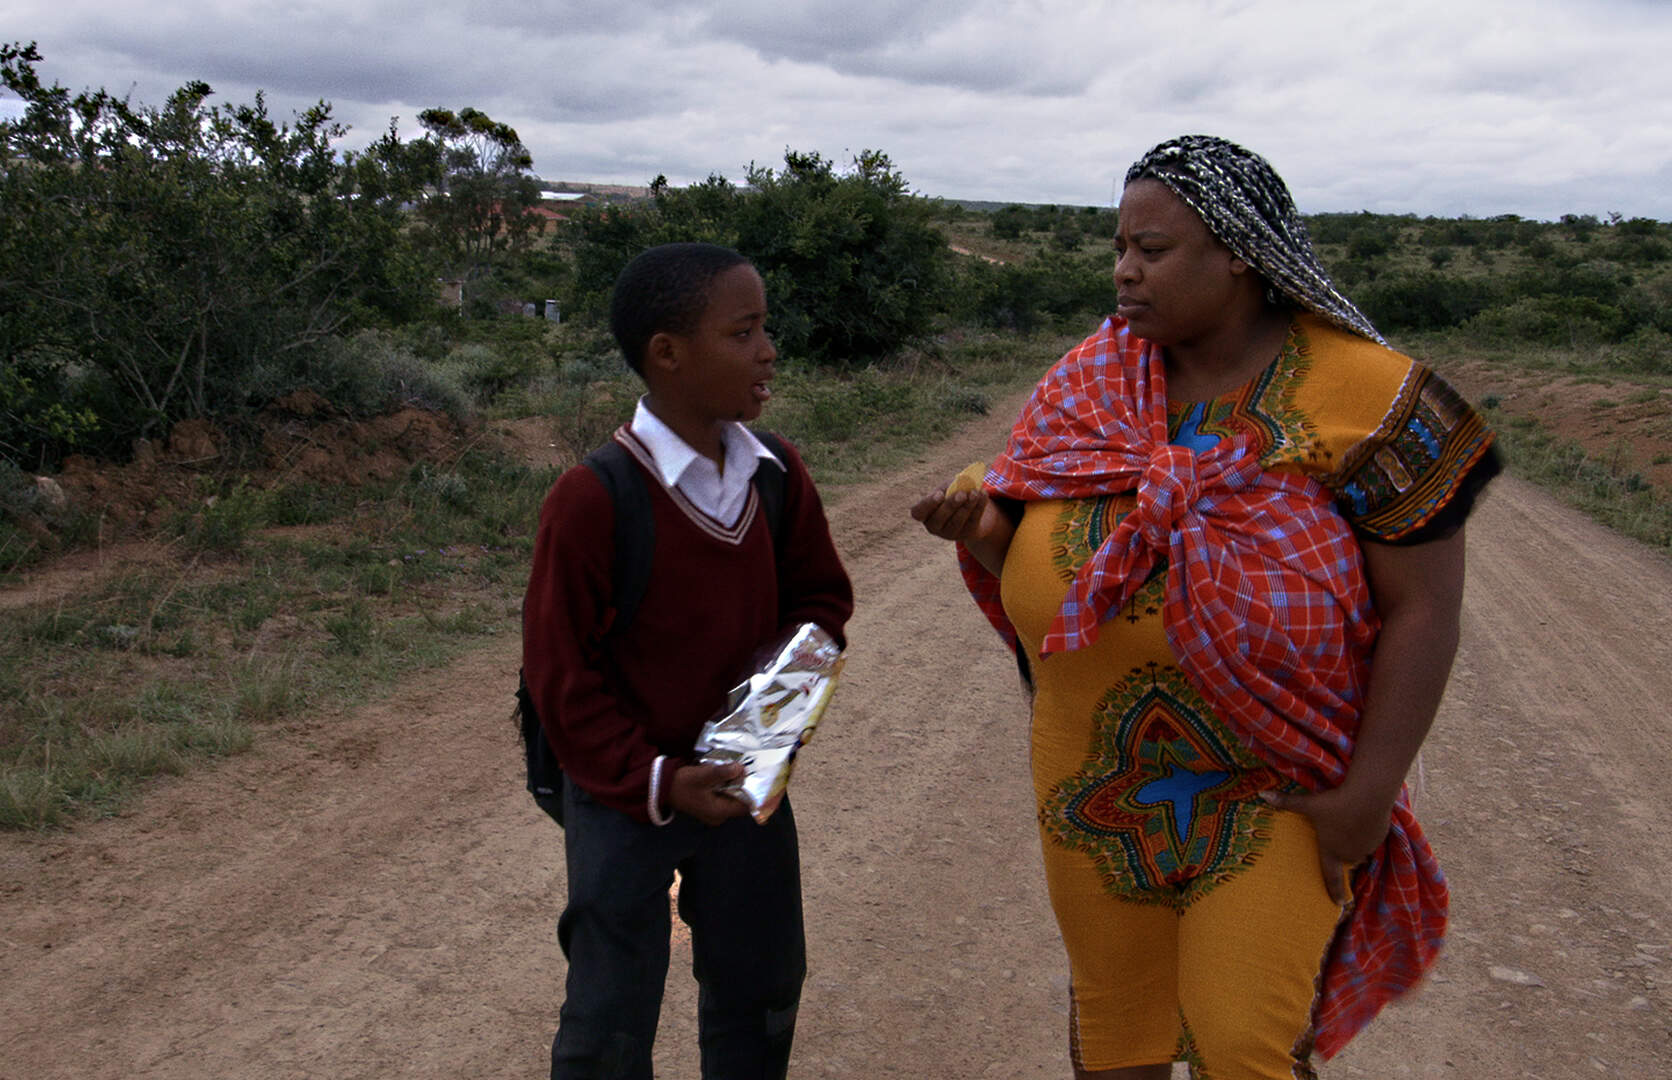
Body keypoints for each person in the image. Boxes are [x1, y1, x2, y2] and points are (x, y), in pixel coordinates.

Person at [912, 135, 1500, 1079]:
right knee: (1118, 1038)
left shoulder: (1371, 396)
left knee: (1244, 1043)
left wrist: (1367, 797)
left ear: (1239, 254)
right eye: (1119, 248)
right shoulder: (1090, 379)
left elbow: (1425, 611)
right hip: (1092, 779)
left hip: (1279, 784)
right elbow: (1031, 536)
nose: (1124, 271)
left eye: (1152, 250)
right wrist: (982, 527)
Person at [522, 242, 853, 1079]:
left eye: (764, 328)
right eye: (743, 333)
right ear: (667, 354)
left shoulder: (776, 476)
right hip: (626, 796)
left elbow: (821, 605)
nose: (768, 350)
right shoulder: (593, 499)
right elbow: (562, 681)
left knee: (762, 988)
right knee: (608, 1015)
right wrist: (663, 781)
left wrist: (759, 739)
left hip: (740, 786)